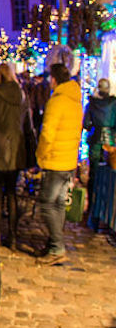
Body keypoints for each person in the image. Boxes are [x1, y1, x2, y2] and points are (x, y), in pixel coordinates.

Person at [35, 62, 83, 265]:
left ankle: (57, 246)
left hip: (55, 161)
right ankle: (54, 242)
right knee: (59, 204)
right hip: (69, 161)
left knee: (46, 204)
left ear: (54, 79)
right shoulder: (75, 100)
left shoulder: (57, 101)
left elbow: (47, 134)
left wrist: (40, 157)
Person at [0, 63, 30, 249]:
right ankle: (13, 236)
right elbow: (28, 125)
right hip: (16, 148)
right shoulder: (22, 95)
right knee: (12, 192)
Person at [83, 78, 116, 230]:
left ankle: (92, 212)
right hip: (110, 142)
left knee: (94, 177)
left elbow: (87, 124)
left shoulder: (92, 103)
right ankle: (104, 214)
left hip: (96, 140)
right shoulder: (114, 104)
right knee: (108, 179)